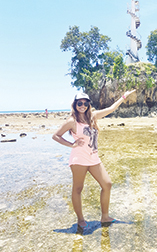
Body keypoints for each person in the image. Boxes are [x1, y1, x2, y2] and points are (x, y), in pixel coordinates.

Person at [52, 89, 135, 231]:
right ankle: (80, 220)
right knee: (78, 189)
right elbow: (56, 136)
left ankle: (105, 217)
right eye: (79, 103)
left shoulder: (93, 117)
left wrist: (123, 97)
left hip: (93, 158)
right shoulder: (72, 121)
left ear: (89, 104)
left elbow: (111, 109)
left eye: (85, 103)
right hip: (79, 158)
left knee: (107, 184)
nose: (82, 106)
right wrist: (72, 144)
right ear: (75, 104)